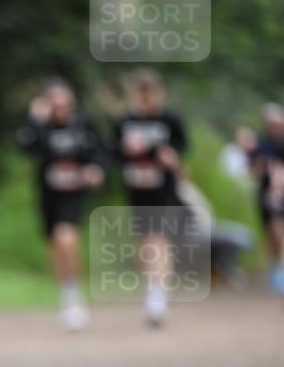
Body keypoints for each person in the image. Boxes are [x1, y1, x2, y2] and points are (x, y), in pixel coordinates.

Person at [15, 77, 105, 330]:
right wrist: (35, 120)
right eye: (52, 99)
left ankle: (75, 298)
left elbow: (101, 151)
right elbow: (24, 146)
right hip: (49, 194)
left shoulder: (85, 124)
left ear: (71, 99)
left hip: (74, 194)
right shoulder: (42, 128)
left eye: (62, 97)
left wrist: (96, 169)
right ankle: (67, 296)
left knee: (67, 239)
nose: (59, 104)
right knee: (55, 245)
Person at [112, 69, 188, 326]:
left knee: (159, 239)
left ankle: (158, 297)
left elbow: (183, 147)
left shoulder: (170, 119)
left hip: (163, 190)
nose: (146, 97)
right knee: (144, 242)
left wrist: (171, 156)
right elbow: (111, 151)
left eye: (150, 91)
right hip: (136, 188)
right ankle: (151, 288)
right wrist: (125, 149)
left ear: (157, 93)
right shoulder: (124, 121)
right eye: (141, 92)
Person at [249, 103, 284, 294]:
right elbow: (253, 170)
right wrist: (262, 166)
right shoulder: (261, 145)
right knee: (270, 233)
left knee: (279, 231)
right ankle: (274, 266)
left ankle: (279, 268)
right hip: (266, 195)